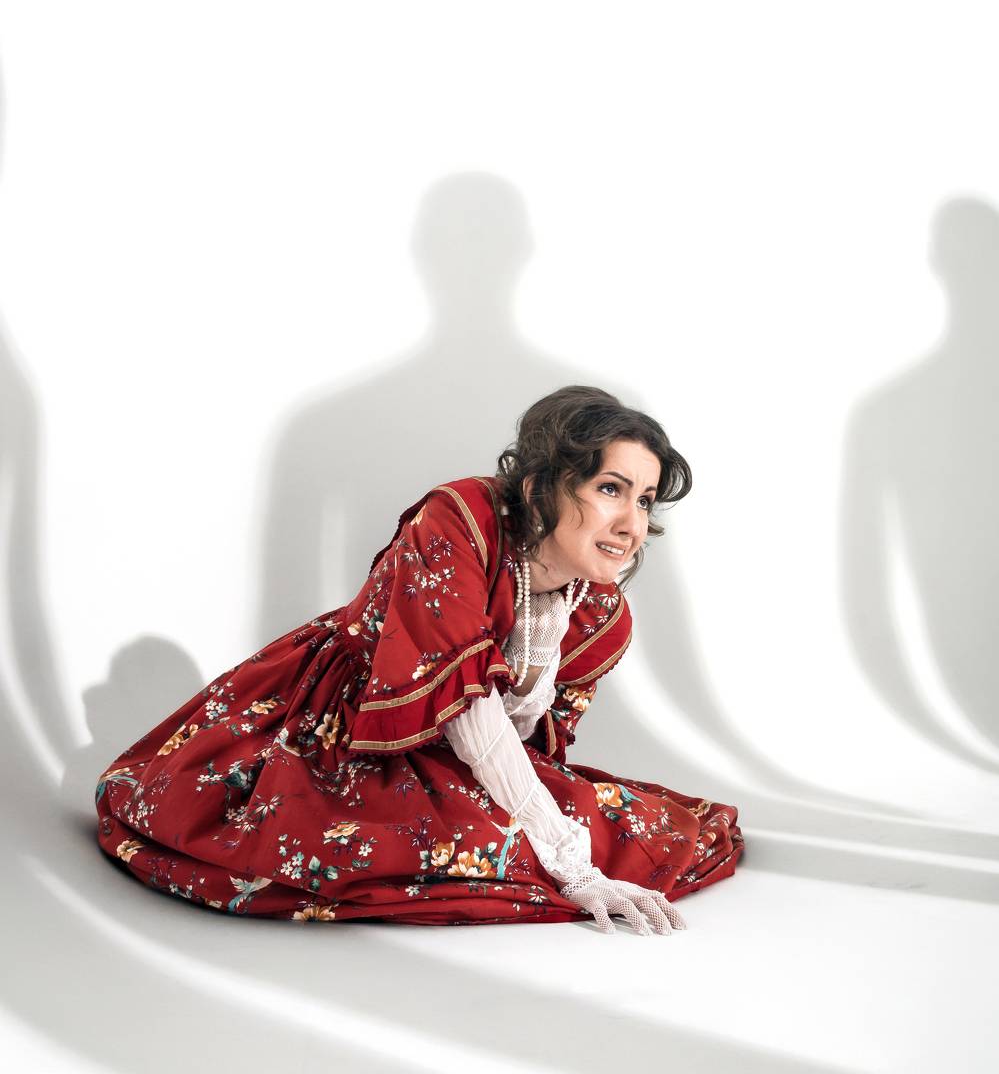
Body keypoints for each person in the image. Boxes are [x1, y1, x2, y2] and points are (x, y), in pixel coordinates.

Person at [95, 385, 744, 933]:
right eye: (610, 488)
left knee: (645, 836)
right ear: (541, 486)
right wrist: (571, 867)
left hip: (458, 752)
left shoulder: (599, 613)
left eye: (644, 500)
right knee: (380, 844)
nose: (632, 524)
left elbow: (528, 744)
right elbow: (470, 712)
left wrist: (559, 837)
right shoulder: (459, 520)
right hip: (340, 728)